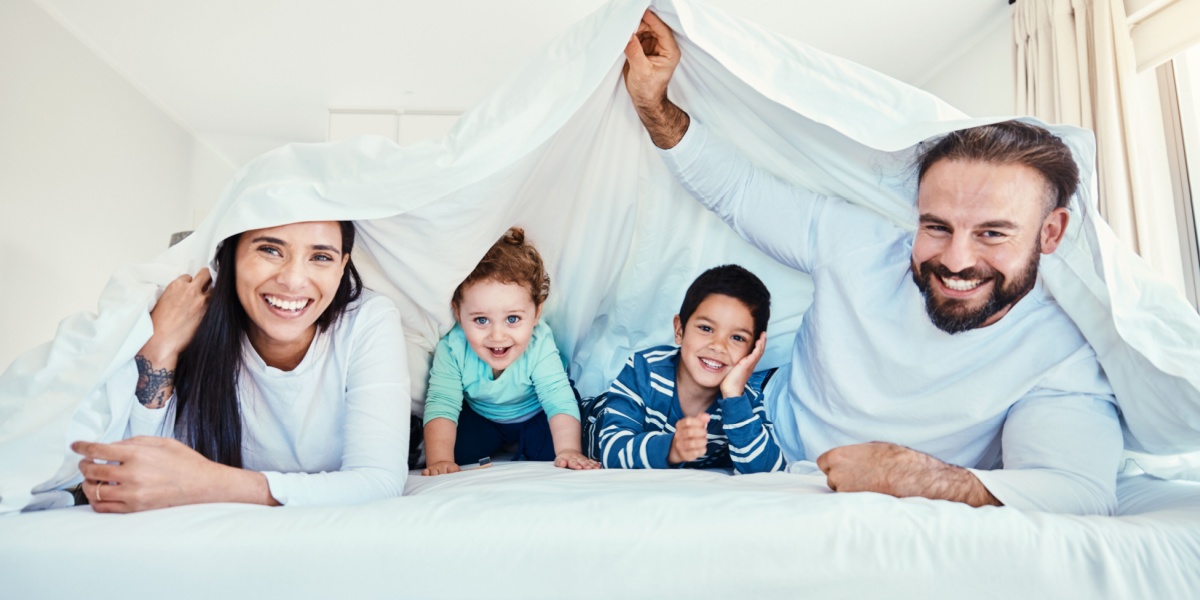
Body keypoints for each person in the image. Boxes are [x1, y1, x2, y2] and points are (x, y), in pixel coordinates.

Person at [620, 10, 1123, 514]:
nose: (956, 260)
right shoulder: (857, 243)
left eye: (992, 233)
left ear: (1050, 232)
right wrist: (652, 103)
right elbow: (739, 190)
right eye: (937, 226)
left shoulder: (1059, 349)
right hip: (760, 440)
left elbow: (1077, 491)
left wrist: (914, 475)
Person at [71, 220, 410, 511]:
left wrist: (208, 483)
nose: (293, 280)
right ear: (231, 254)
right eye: (270, 250)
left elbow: (378, 479)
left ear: (342, 266)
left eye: (321, 257)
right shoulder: (194, 320)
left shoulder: (369, 319)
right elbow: (134, 470)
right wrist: (160, 347)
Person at [421, 227, 599, 475]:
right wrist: (440, 460)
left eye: (513, 319)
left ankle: (536, 445)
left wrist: (569, 449)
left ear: (536, 314)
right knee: (450, 451)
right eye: (481, 320)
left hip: (537, 412)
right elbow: (443, 403)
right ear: (458, 314)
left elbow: (557, 398)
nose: (497, 336)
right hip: (482, 415)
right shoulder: (452, 348)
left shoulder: (539, 343)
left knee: (560, 451)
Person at [582, 264, 785, 473]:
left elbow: (770, 472)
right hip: (585, 423)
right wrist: (671, 448)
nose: (718, 345)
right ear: (679, 330)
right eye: (706, 328)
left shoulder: (743, 403)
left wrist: (734, 396)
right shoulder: (645, 371)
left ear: (753, 351)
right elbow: (611, 451)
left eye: (737, 338)